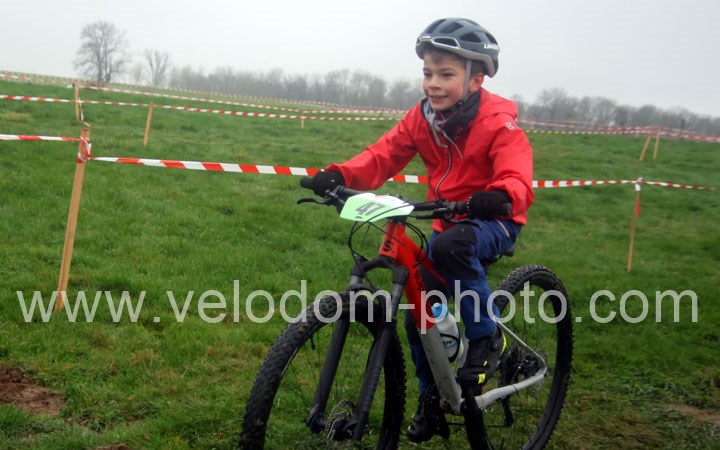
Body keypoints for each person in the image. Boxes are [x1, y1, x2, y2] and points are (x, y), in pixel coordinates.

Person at [307, 17, 533, 443]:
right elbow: (384, 153)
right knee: (419, 306)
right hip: (448, 221)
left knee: (450, 248)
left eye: (446, 74)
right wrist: (340, 175)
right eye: (428, 73)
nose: (433, 84)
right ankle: (433, 397)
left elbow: (516, 172)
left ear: (476, 79)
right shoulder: (423, 118)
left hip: (495, 219)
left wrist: (501, 194)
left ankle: (487, 338)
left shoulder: (497, 123)